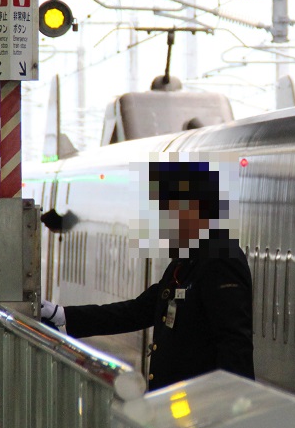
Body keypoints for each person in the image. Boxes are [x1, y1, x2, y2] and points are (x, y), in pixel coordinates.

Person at [40, 161, 254, 391]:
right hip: (179, 405)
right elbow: (138, 310)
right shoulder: (187, 260)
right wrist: (63, 316)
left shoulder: (221, 260)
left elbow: (234, 344)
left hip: (203, 409)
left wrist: (233, 411)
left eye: (167, 213)